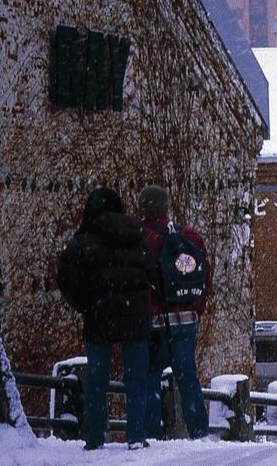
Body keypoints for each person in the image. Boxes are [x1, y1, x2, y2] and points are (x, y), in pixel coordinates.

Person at [56, 187, 155, 450]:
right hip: (135, 318)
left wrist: (84, 304)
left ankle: (95, 436)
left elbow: (66, 277)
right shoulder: (136, 235)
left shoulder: (84, 240)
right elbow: (152, 271)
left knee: (97, 379)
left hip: (99, 315)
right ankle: (136, 435)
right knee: (136, 378)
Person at [138, 185, 211, 440]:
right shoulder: (189, 236)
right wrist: (196, 309)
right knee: (187, 376)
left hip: (156, 321)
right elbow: (205, 277)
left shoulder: (142, 238)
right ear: (166, 207)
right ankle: (199, 431)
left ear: (143, 208)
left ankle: (152, 434)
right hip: (187, 319)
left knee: (150, 376)